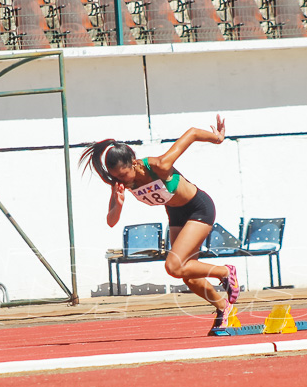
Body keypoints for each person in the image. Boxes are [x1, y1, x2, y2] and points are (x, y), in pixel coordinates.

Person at [81, 115, 239, 332]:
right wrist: (117, 203)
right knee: (186, 275)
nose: (123, 181)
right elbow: (111, 221)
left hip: (198, 208)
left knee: (173, 266)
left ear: (134, 162)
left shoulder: (159, 166)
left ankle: (224, 271)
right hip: (176, 215)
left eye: (124, 175)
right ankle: (223, 307)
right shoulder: (120, 183)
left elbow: (192, 132)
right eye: (116, 177)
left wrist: (218, 138)